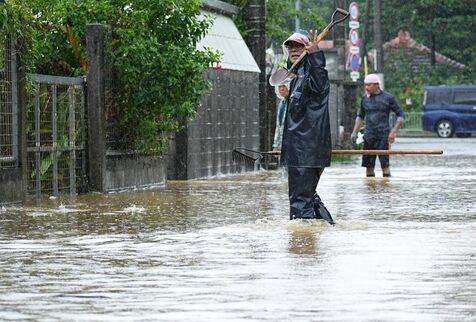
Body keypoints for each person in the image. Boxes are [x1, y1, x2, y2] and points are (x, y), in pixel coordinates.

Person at [279, 29, 334, 224]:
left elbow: (320, 86)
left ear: (307, 48)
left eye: (299, 45)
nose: (294, 50)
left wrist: (316, 55)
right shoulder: (296, 75)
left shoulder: (313, 72)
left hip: (306, 151)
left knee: (300, 203)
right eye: (290, 46)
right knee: (308, 198)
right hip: (300, 150)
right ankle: (328, 228)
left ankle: (302, 248)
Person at [351, 74, 405, 177]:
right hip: (369, 135)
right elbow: (360, 116)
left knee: (385, 165)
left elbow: (401, 116)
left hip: (383, 134)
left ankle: (386, 188)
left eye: (369, 85)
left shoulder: (388, 98)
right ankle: (370, 190)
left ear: (377, 85)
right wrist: (354, 131)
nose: (366, 88)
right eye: (365, 85)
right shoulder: (364, 99)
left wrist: (393, 132)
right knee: (369, 166)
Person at [272, 82, 289, 151]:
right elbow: (279, 126)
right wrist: (276, 145)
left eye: (284, 86)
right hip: (283, 145)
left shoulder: (295, 103)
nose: (281, 89)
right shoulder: (282, 103)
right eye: (279, 87)